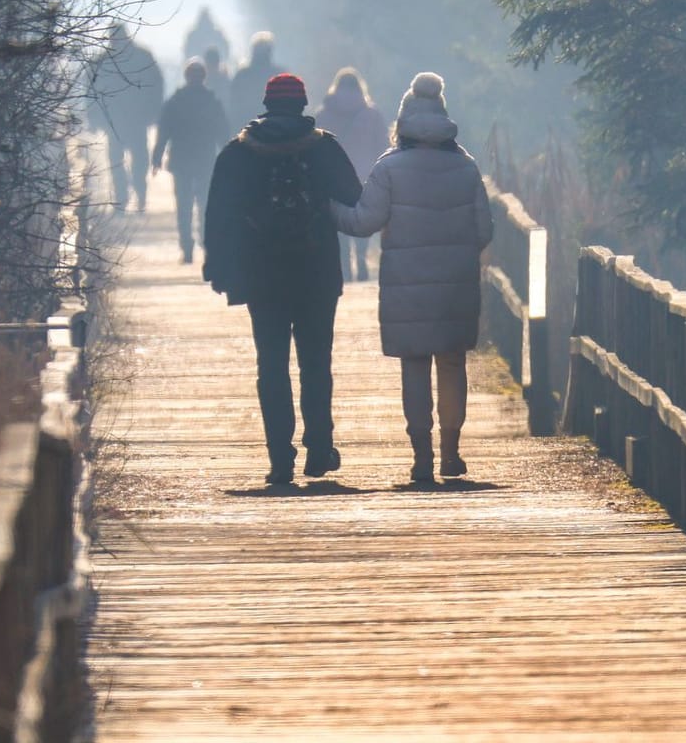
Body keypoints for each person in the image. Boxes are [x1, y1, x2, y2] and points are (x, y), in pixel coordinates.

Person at [330, 72, 492, 484]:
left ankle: (421, 456)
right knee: (452, 363)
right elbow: (484, 230)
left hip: (407, 286)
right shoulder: (466, 166)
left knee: (415, 364)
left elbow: (364, 221)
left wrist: (327, 208)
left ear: (402, 123)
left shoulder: (390, 168)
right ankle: (451, 452)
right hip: (456, 283)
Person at [204, 73, 362, 485]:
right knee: (316, 363)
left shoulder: (238, 153)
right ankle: (319, 448)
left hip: (263, 274)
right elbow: (353, 195)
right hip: (317, 272)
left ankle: (280, 457)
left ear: (267, 104)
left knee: (271, 365)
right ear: (304, 104)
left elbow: (219, 214)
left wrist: (218, 269)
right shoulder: (324, 148)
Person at [152, 59, 230, 264]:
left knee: (184, 206)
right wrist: (228, 157)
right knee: (205, 205)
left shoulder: (176, 101)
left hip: (181, 160)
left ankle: (187, 248)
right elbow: (223, 132)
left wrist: (157, 157)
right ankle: (207, 245)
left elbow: (164, 130)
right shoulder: (212, 101)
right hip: (205, 160)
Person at [316, 68, 390, 282]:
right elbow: (383, 147)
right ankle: (361, 258)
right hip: (364, 178)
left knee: (338, 225)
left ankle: (345, 270)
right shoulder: (372, 115)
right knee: (362, 221)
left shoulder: (323, 115)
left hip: (333, 180)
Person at [88, 24, 164, 211]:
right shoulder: (141, 57)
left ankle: (131, 197)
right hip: (125, 120)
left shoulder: (104, 60)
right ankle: (130, 197)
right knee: (126, 162)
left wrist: (153, 112)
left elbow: (155, 87)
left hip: (125, 119)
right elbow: (157, 87)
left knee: (127, 162)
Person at [227, 32, 286, 123]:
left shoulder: (242, 74)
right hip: (274, 125)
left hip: (248, 124)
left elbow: (234, 102)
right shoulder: (279, 74)